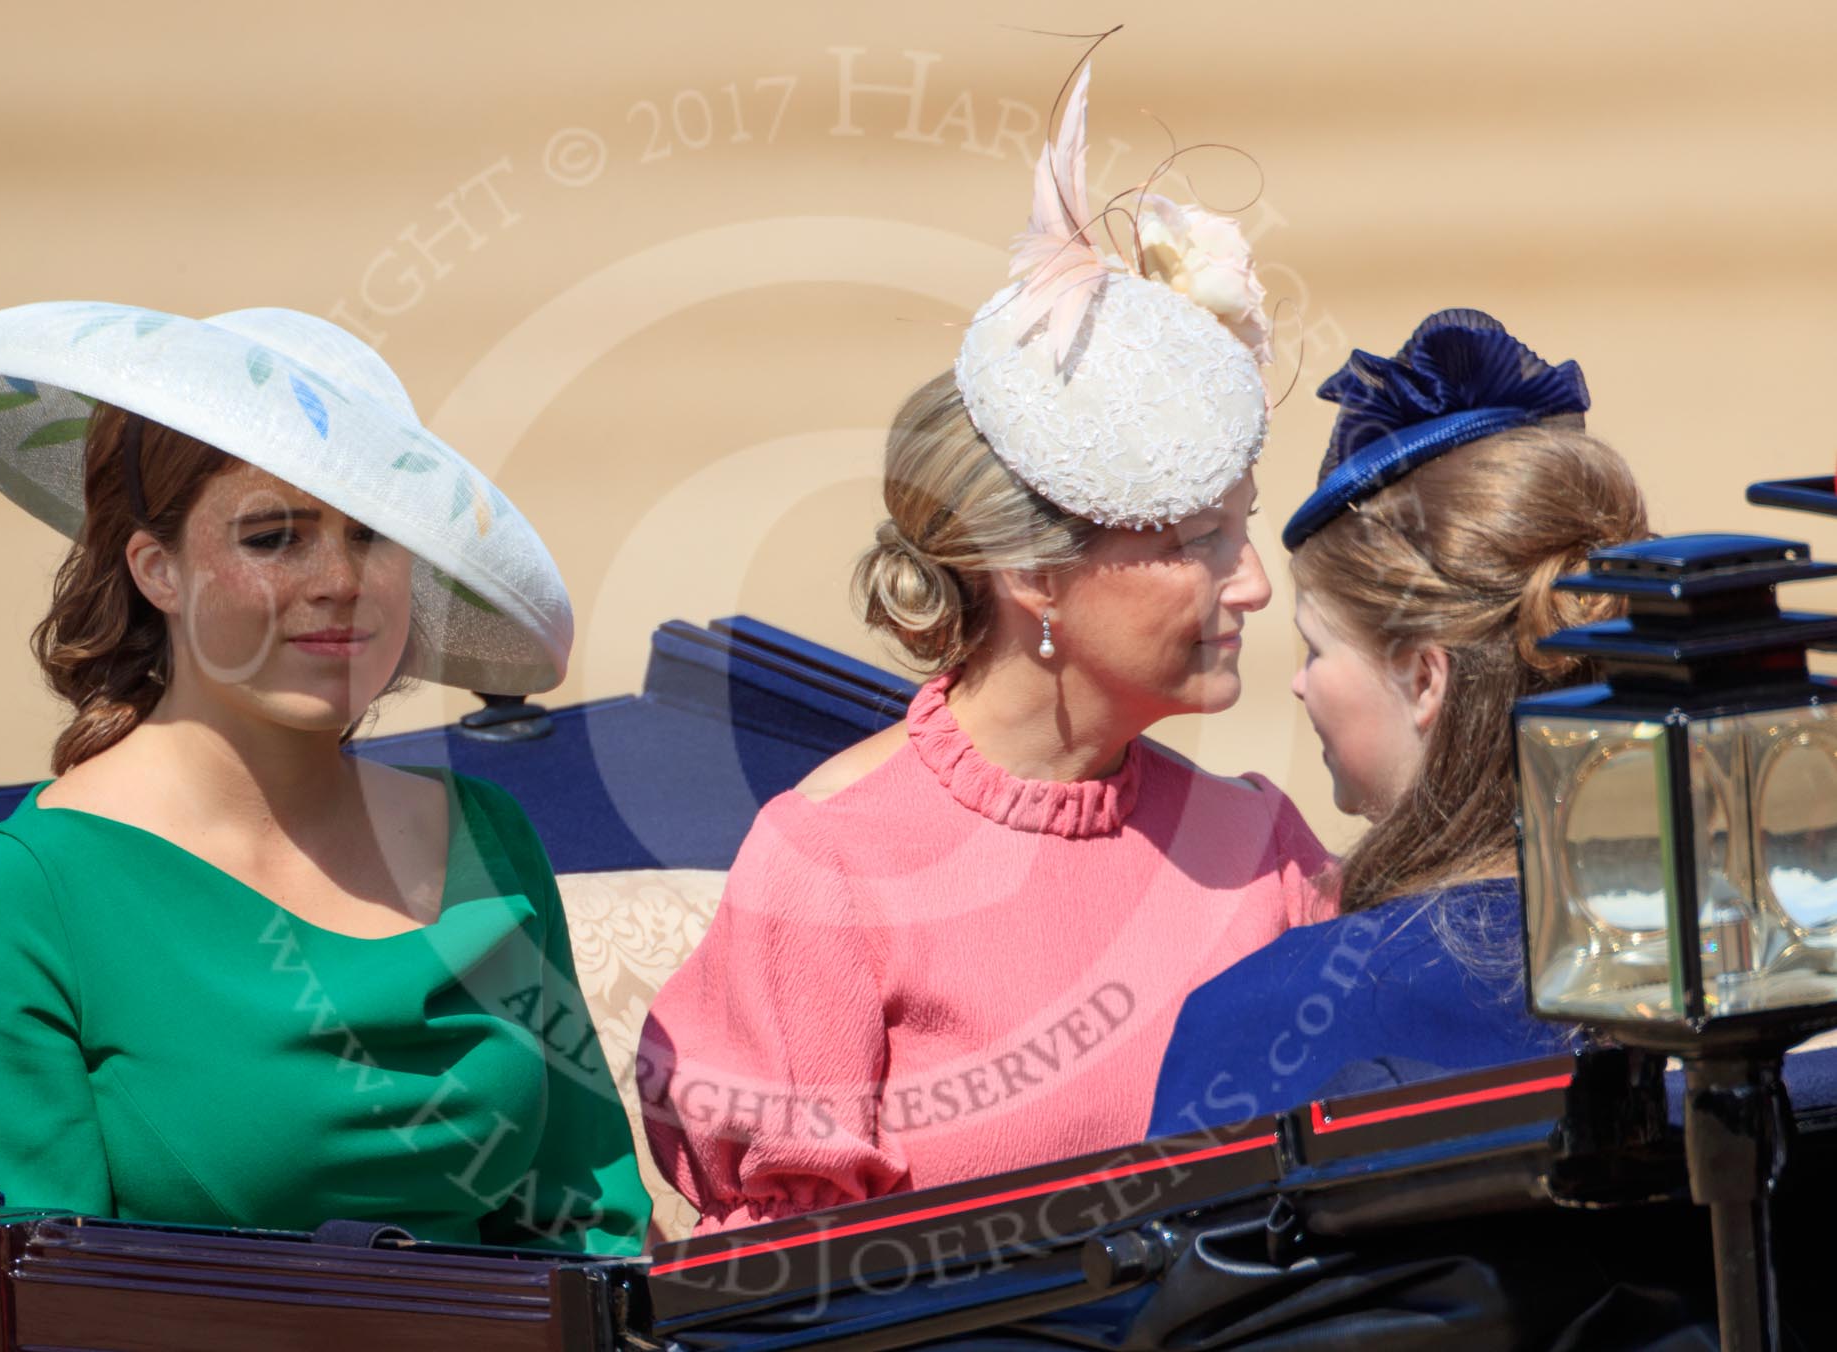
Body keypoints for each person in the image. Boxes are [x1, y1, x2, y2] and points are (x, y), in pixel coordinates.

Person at [637, 64, 1334, 1235]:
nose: (1254, 580)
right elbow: (786, 1295)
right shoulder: (830, 872)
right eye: (1192, 540)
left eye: (1244, 526)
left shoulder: (1265, 852)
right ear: (1033, 572)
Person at [0, 302, 650, 1254]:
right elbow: (5, 1296)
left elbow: (592, 1235)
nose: (340, 582)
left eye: (372, 536)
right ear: (159, 569)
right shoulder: (39, 892)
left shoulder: (487, 834)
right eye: (275, 538)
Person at [1149, 309, 1651, 1139]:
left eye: (1316, 649)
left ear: (1425, 678)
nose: (1302, 688)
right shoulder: (1729, 963)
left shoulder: (1268, 1017)